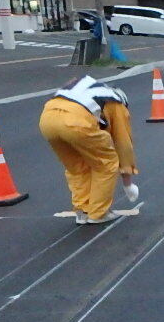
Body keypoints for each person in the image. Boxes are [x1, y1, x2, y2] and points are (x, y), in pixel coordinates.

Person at [39, 76, 140, 225]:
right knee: (106, 163)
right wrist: (128, 184)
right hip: (76, 121)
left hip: (47, 119)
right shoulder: (117, 104)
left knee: (76, 167)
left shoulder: (92, 90)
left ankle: (82, 211)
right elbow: (123, 143)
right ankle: (99, 213)